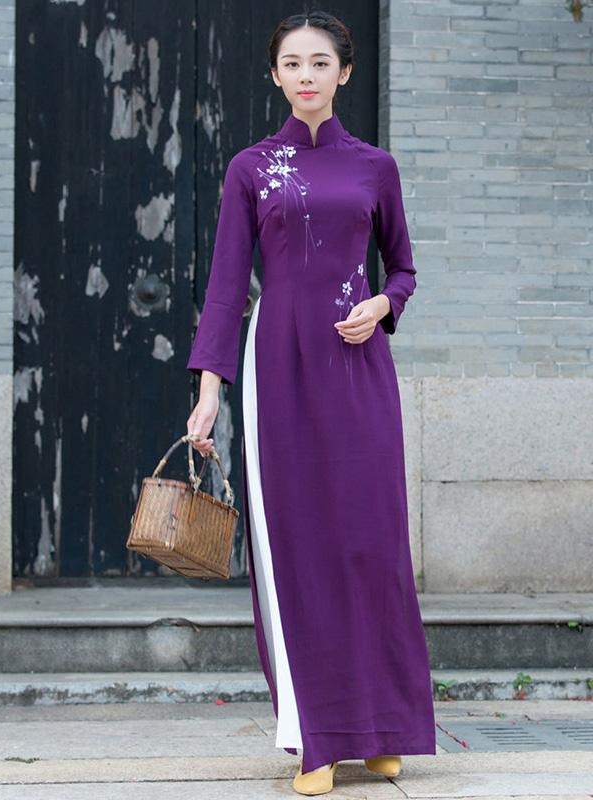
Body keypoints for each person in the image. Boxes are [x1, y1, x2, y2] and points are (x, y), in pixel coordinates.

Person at [186, 10, 437, 796]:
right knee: (299, 548)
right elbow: (227, 286)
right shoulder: (251, 168)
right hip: (280, 370)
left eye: (319, 62)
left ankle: (384, 728)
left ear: (344, 72)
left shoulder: (375, 168)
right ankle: (317, 739)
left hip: (359, 370)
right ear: (275, 75)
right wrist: (209, 391)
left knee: (371, 541)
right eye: (291, 63)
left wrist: (384, 305)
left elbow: (403, 268)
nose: (305, 75)